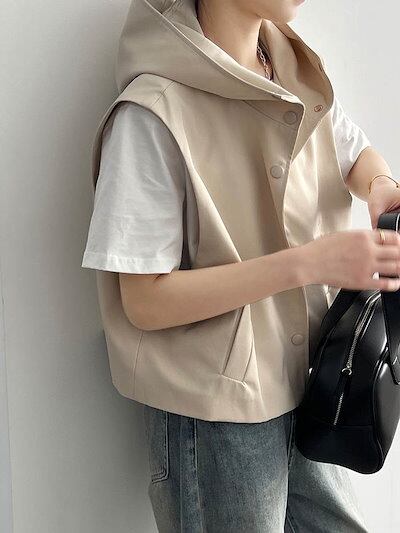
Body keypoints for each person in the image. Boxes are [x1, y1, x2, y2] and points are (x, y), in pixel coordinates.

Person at [82, 0, 400, 531]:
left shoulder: (294, 76)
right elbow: (143, 300)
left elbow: (352, 150)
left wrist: (381, 187)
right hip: (216, 414)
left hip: (312, 382)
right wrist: (308, 264)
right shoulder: (153, 112)